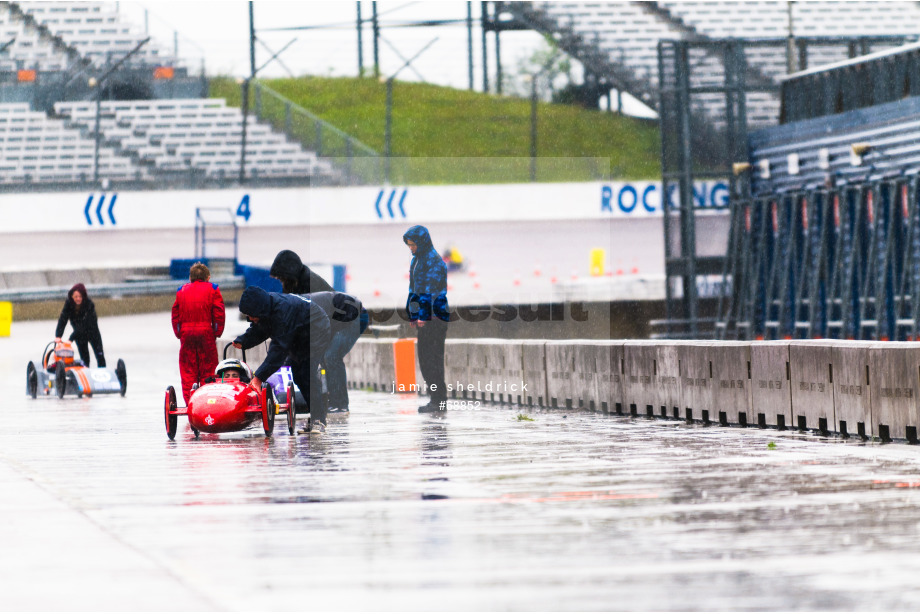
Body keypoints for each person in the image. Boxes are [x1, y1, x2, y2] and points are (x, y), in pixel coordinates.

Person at [232, 286, 332, 434]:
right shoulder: (266, 309)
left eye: (251, 315)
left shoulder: (282, 312)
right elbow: (260, 329)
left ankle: (319, 420)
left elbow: (278, 350)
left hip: (316, 330)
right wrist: (244, 341)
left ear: (259, 310)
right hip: (299, 332)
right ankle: (316, 416)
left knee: (307, 372)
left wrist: (259, 377)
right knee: (298, 374)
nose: (250, 319)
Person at [403, 225, 450, 413]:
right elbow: (413, 288)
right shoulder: (416, 260)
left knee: (433, 360)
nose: (411, 248)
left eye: (413, 245)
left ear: (421, 242)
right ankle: (434, 398)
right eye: (409, 245)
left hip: (436, 316)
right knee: (424, 360)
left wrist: (422, 314)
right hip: (424, 316)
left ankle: (440, 400)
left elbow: (430, 291)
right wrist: (413, 313)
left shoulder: (433, 261)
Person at [171, 262, 226, 404]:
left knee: (188, 369)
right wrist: (217, 332)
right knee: (208, 367)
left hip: (187, 334)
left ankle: (191, 403)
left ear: (190, 278)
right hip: (206, 333)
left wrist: (179, 333)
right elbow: (219, 313)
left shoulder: (181, 291)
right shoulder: (213, 289)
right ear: (208, 277)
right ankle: (208, 402)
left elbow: (175, 314)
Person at [308, 291, 367, 413]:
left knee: (331, 357)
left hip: (356, 316)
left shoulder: (303, 310)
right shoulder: (297, 308)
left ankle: (340, 404)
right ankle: (331, 399)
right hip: (338, 319)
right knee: (323, 358)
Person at [55, 283, 106, 368]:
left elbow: (84, 324)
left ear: (84, 296)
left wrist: (71, 339)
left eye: (80, 296)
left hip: (92, 332)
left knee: (100, 357)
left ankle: (103, 374)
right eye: (76, 297)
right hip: (79, 335)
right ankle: (84, 377)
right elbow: (63, 319)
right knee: (85, 360)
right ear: (72, 296)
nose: (78, 299)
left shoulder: (89, 305)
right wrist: (58, 335)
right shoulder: (69, 304)